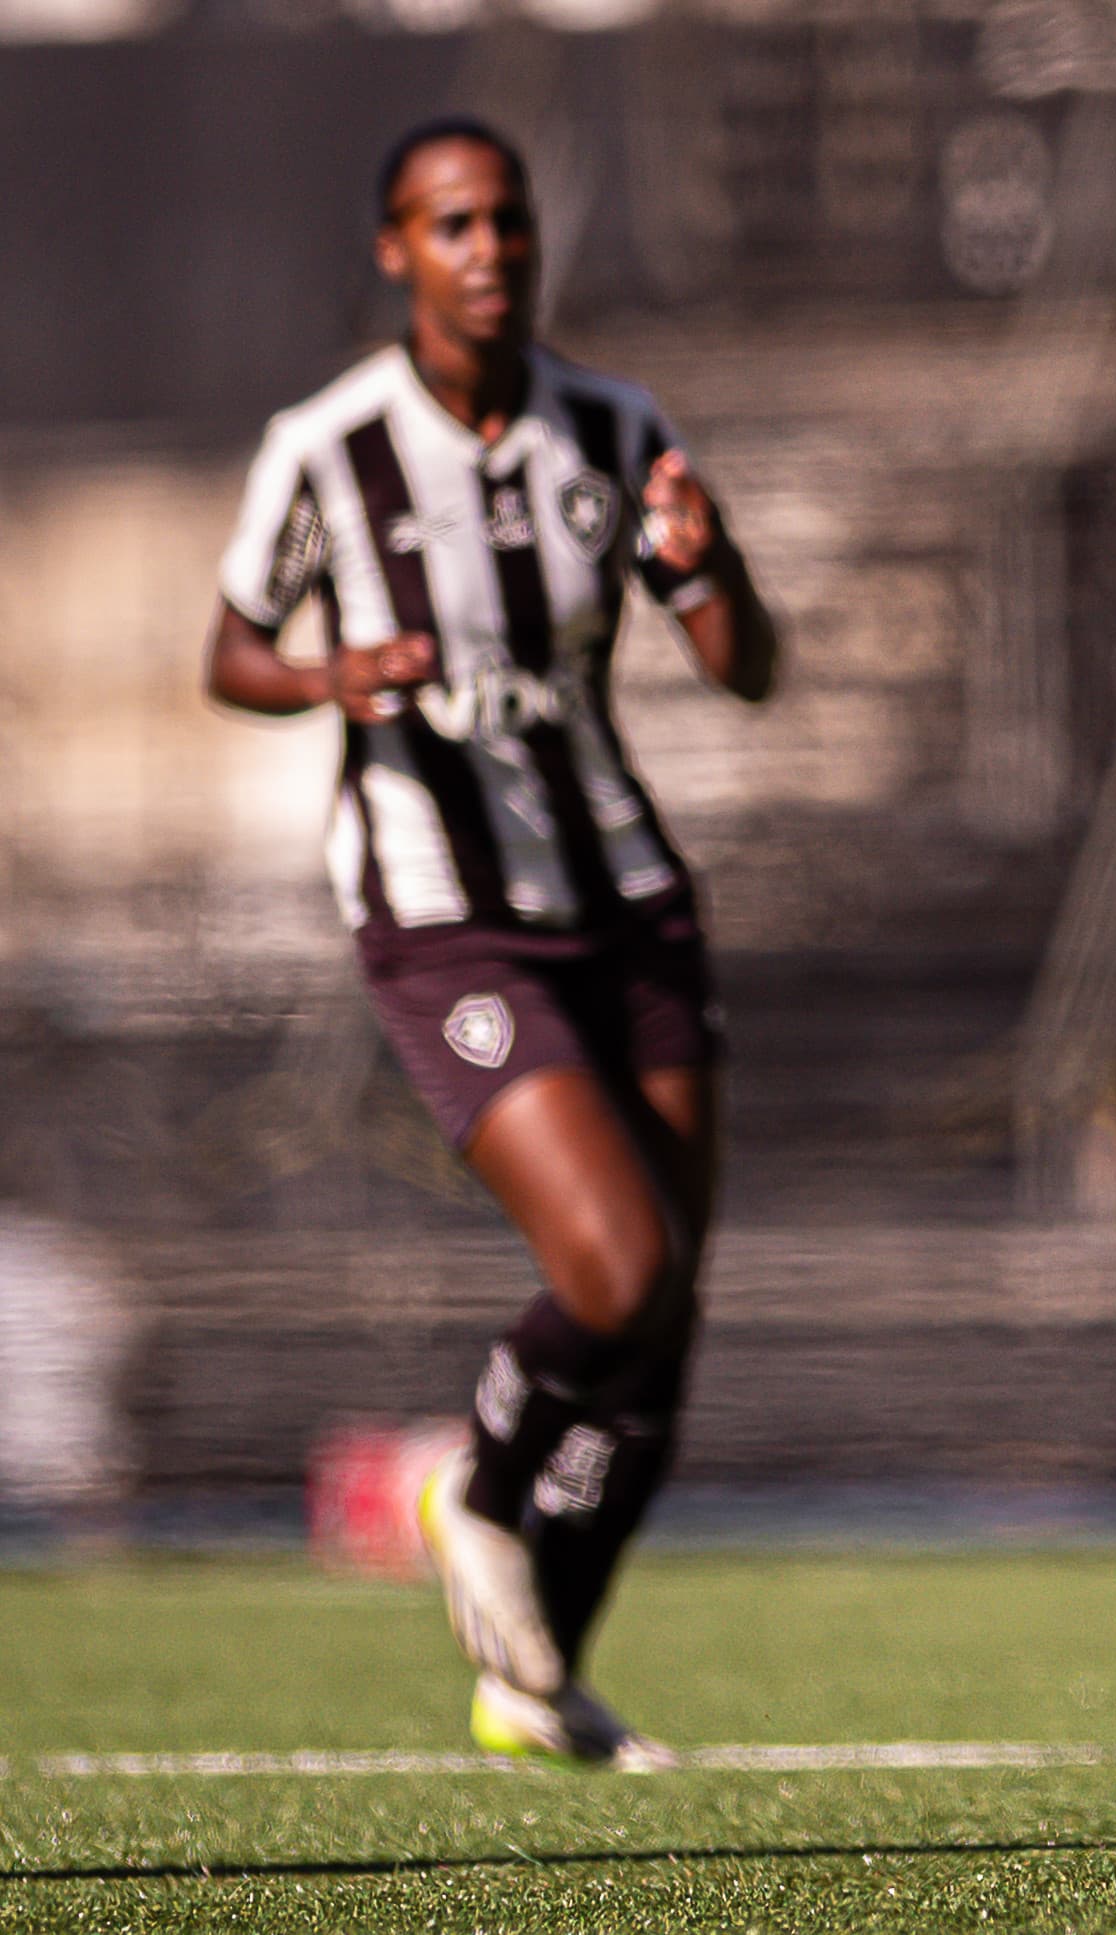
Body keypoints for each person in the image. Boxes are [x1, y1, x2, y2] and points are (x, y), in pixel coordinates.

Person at [206, 116, 779, 1770]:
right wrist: (328, 677)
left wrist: (711, 566)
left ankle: (537, 1682)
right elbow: (231, 652)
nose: (489, 252)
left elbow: (744, 666)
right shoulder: (330, 447)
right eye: (452, 225)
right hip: (447, 918)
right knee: (617, 1268)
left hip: (626, 896)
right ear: (397, 248)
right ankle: (476, 1481)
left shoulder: (612, 425)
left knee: (666, 1319)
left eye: (507, 222)